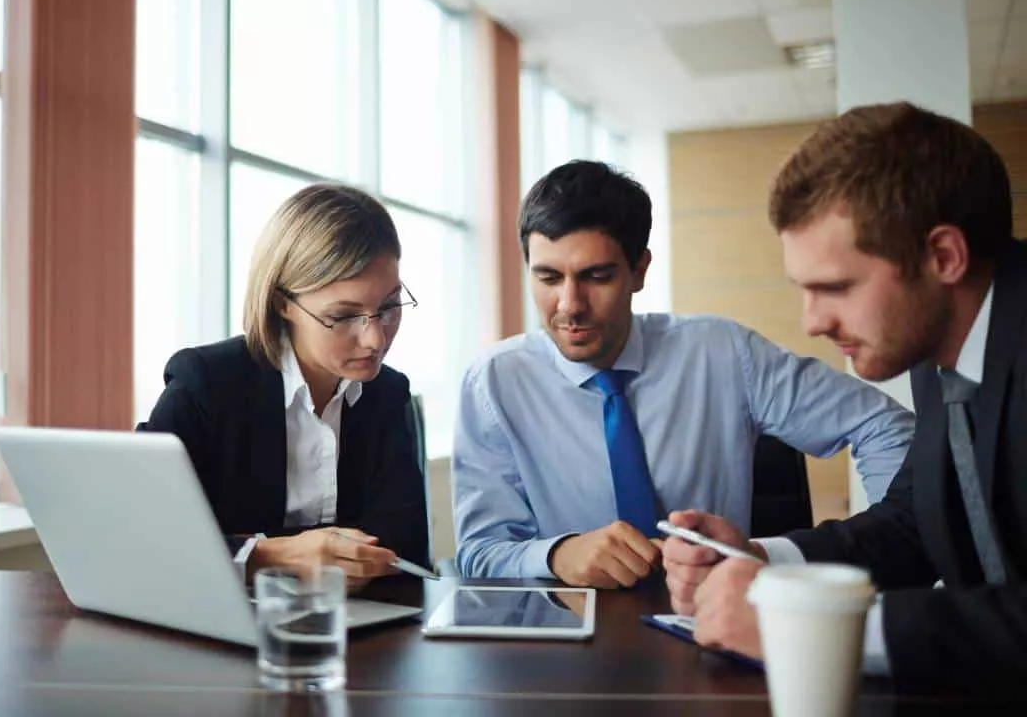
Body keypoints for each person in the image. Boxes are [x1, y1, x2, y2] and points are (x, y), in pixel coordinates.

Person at [662, 102, 1027, 696]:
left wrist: (815, 627)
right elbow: (917, 523)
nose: (811, 322)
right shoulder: (940, 351)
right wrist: (761, 560)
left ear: (943, 258)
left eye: (835, 287)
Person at [452, 160, 914, 585]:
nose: (570, 306)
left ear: (639, 270)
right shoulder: (493, 383)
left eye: (596, 276)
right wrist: (557, 556)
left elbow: (884, 425)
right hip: (570, 636)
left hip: (714, 618)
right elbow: (478, 552)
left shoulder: (723, 352)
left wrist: (893, 546)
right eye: (549, 278)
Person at [138, 184, 429, 591]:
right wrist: (269, 557)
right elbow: (141, 536)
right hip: (219, 630)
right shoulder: (206, 384)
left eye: (389, 308)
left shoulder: (387, 393)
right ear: (282, 303)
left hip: (358, 631)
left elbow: (409, 549)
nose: (375, 339)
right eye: (343, 316)